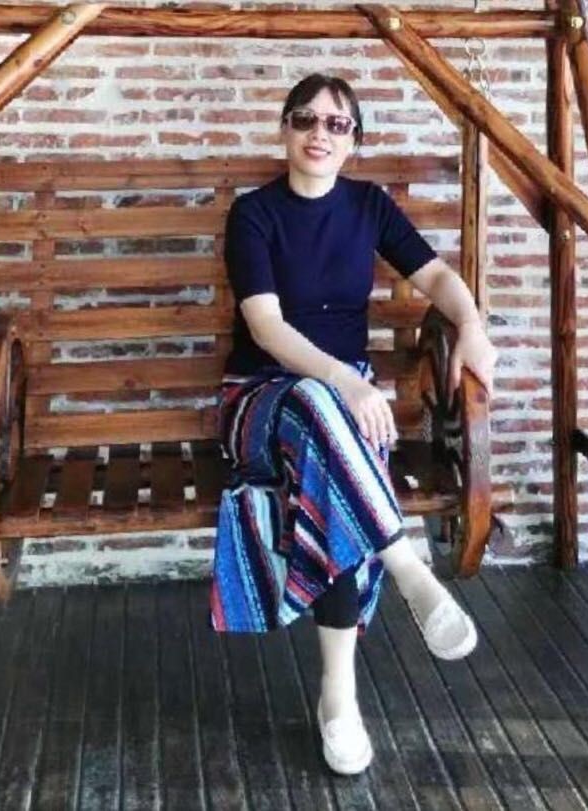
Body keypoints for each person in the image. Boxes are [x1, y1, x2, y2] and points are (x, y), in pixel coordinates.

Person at [208, 73, 498, 775]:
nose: (320, 133)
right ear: (284, 129)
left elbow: (436, 278)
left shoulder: (369, 205)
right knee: (317, 403)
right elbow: (266, 327)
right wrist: (343, 379)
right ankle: (406, 566)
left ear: (353, 140)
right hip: (259, 400)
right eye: (305, 119)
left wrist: (470, 323)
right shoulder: (253, 214)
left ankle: (338, 697)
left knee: (330, 473)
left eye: (337, 124)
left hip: (337, 413)